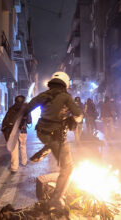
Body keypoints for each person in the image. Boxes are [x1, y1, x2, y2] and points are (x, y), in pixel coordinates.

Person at [25, 71, 83, 212]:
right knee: (68, 168)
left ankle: (47, 147)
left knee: (53, 143)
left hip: (41, 133)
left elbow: (27, 107)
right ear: (66, 83)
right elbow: (78, 114)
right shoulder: (65, 96)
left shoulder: (43, 95)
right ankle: (56, 200)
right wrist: (75, 118)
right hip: (57, 137)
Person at [2, 95, 32, 173]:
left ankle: (14, 167)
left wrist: (4, 131)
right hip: (22, 130)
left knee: (14, 149)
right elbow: (29, 121)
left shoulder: (11, 109)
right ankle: (24, 162)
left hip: (13, 131)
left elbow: (5, 120)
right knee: (22, 146)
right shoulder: (26, 109)